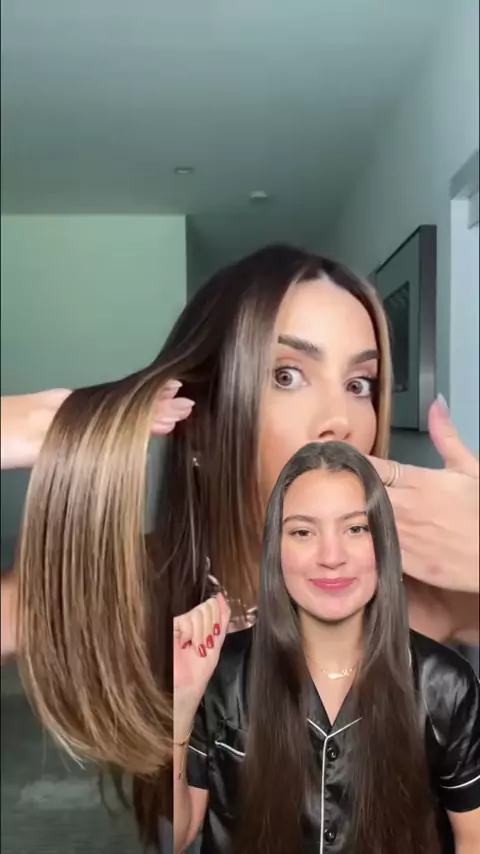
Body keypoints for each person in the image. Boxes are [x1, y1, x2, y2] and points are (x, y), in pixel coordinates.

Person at [0, 245, 478, 849]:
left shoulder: (421, 589)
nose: (341, 421)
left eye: (359, 383)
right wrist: (18, 426)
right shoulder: (130, 586)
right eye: (286, 375)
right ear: (200, 423)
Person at [173, 441, 480, 854]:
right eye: (303, 532)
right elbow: (179, 835)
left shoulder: (446, 684)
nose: (331, 557)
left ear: (384, 544)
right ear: (276, 551)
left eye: (356, 529)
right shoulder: (221, 671)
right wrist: (182, 703)